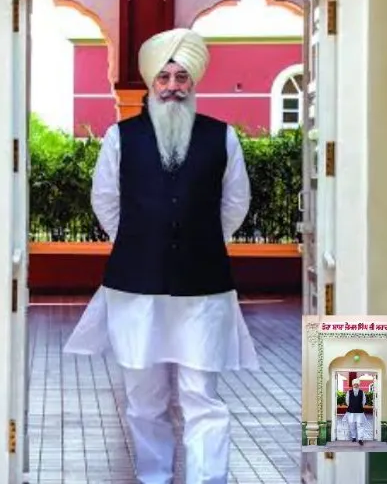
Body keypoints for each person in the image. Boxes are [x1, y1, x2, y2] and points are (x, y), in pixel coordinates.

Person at [64, 27, 259, 484]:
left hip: (203, 289)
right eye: (164, 77)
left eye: (182, 77)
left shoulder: (222, 137)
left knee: (201, 397)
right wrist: (141, 240)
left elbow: (235, 204)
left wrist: (197, 240)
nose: (173, 86)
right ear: (152, 83)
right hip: (136, 289)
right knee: (144, 398)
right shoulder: (120, 137)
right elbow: (105, 201)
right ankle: (153, 477)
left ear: (194, 83)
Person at [345, 378, 366, 445]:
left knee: (360, 425)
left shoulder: (362, 392)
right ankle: (353, 437)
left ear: (358, 385)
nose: (355, 385)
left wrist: (359, 406)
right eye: (354, 384)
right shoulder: (349, 392)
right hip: (351, 411)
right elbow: (347, 401)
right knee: (351, 424)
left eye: (357, 384)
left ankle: (360, 439)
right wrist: (352, 406)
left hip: (360, 411)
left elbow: (364, 401)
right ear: (352, 385)